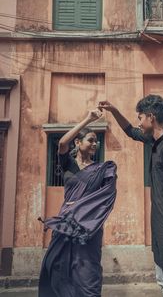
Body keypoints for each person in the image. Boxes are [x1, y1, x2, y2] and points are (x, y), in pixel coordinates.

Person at [98, 95, 163, 297]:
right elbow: (130, 132)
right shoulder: (155, 140)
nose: (139, 122)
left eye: (140, 117)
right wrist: (114, 110)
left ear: (151, 117)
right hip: (161, 221)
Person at [38, 109, 117, 297]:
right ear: (78, 142)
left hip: (89, 226)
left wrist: (82, 208)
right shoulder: (68, 164)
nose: (94, 144)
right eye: (90, 140)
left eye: (96, 141)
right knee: (57, 267)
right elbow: (62, 142)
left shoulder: (101, 169)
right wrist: (88, 119)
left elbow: (107, 195)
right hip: (66, 224)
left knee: (88, 273)